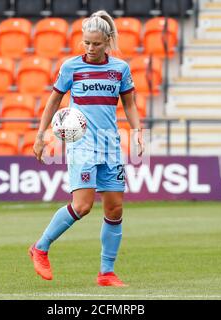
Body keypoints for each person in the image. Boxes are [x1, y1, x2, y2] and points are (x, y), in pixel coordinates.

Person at [29, 10, 144, 287]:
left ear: (108, 41)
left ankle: (106, 273)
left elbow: (128, 104)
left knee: (115, 210)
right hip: (82, 144)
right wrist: (41, 134)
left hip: (110, 145)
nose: (91, 49)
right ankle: (40, 247)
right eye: (87, 43)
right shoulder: (71, 67)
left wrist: (138, 130)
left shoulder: (120, 69)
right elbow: (53, 102)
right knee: (82, 206)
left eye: (97, 44)